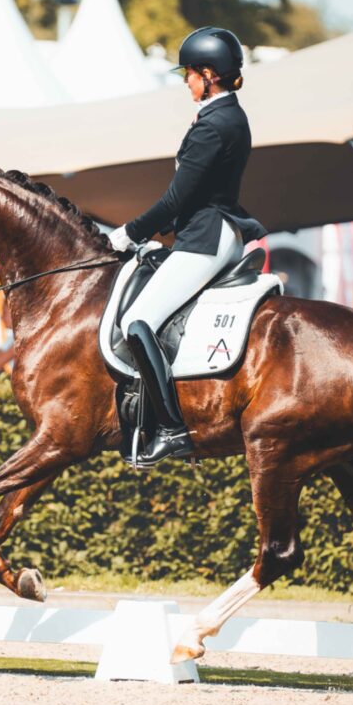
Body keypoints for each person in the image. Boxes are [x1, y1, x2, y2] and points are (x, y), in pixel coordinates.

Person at [106, 26, 268, 466]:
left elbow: (178, 198)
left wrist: (128, 233)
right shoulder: (225, 115)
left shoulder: (215, 124)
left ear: (209, 74)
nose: (185, 81)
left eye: (190, 73)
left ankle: (173, 430)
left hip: (205, 238)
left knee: (137, 320)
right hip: (209, 230)